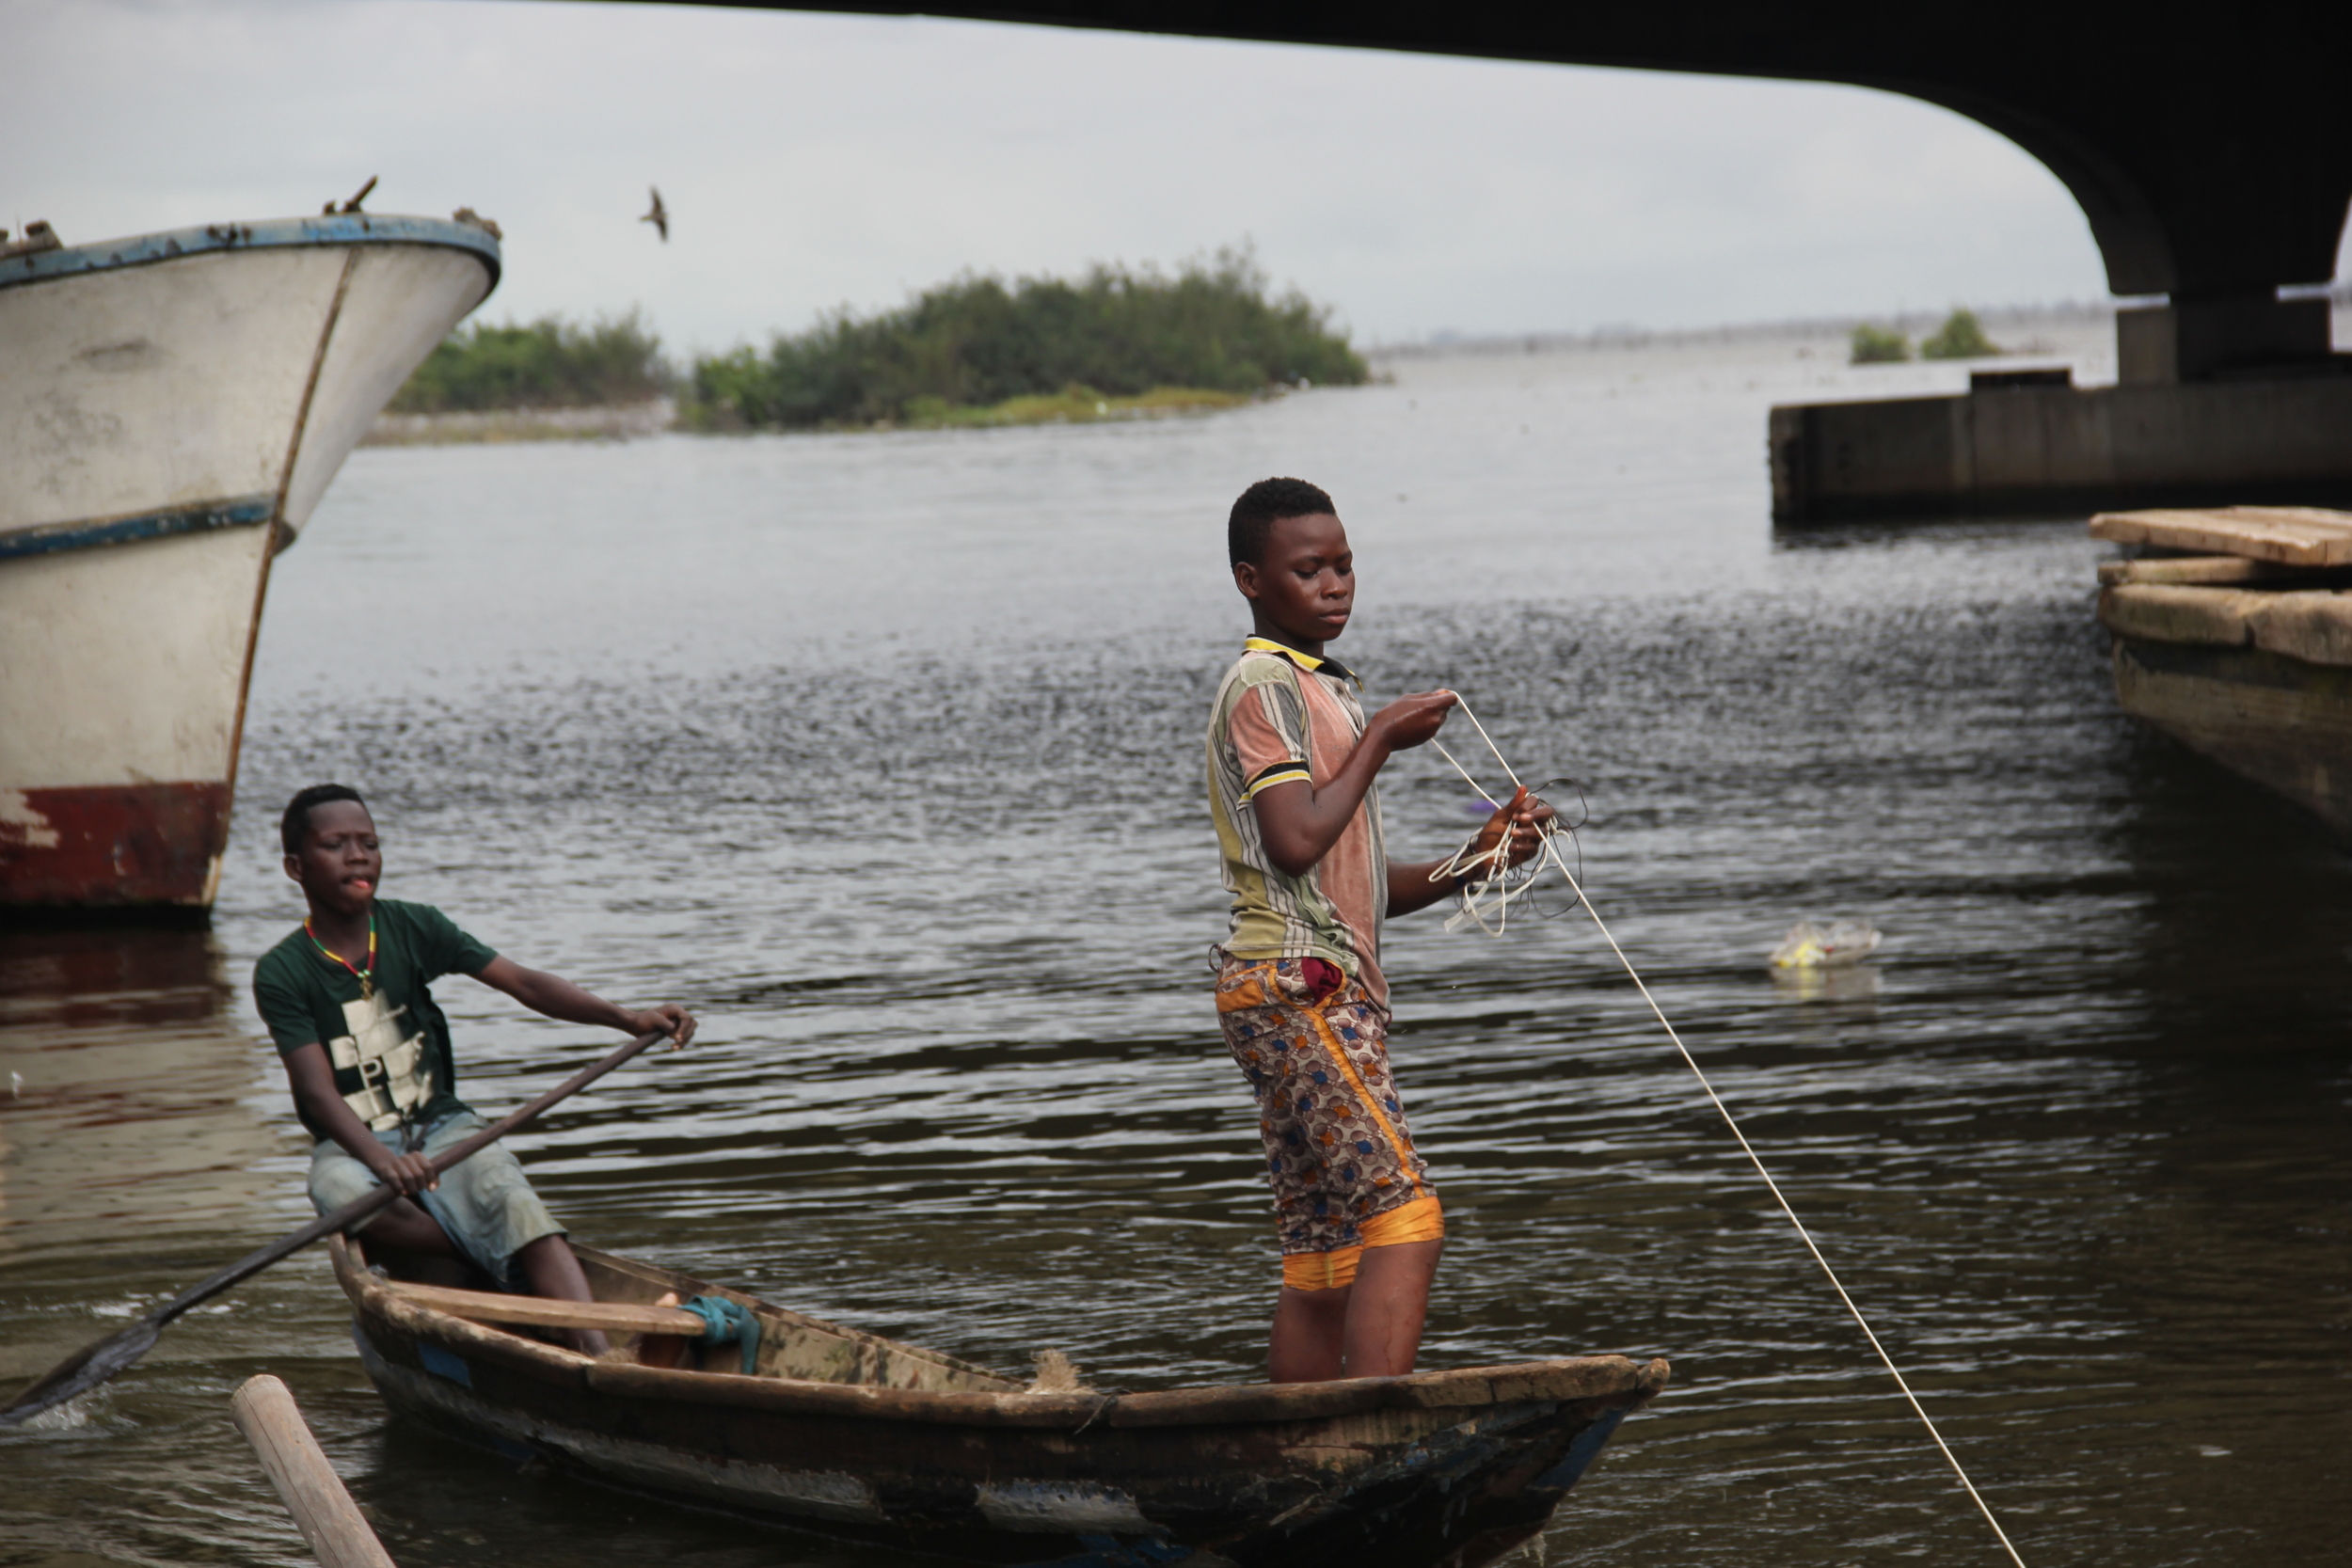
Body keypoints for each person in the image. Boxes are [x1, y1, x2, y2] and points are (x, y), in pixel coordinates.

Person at [1207, 477, 1548, 1383]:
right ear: (1252, 579)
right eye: (1307, 569)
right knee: (1404, 1217)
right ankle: (1367, 1447)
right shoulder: (1263, 688)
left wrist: (1479, 860)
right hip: (1296, 988)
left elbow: (1355, 887)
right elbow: (1292, 843)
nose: (1334, 585)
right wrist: (1386, 733)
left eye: (1345, 566)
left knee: (1325, 1252)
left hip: (1298, 984)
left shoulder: (1322, 690)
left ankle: (1296, 1461)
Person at [252, 783, 694, 1355]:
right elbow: (315, 1093)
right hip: (357, 1143)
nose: (357, 856)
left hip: (443, 1128)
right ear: (296, 866)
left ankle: (597, 1356)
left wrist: (628, 1018)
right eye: (335, 845)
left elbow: (526, 983)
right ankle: (489, 1258)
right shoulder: (283, 971)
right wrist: (384, 1161)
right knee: (338, 1191)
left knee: (508, 1196)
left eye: (369, 843)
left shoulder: (415, 927)